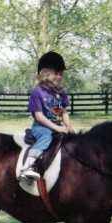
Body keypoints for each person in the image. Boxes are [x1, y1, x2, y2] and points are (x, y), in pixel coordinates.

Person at [19, 51, 75, 180]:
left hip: (57, 126)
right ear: (45, 72)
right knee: (46, 137)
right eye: (56, 73)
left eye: (61, 74)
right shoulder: (37, 92)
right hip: (41, 127)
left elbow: (62, 112)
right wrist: (58, 128)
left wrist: (68, 126)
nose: (59, 77)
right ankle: (28, 166)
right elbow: (39, 117)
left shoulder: (60, 93)